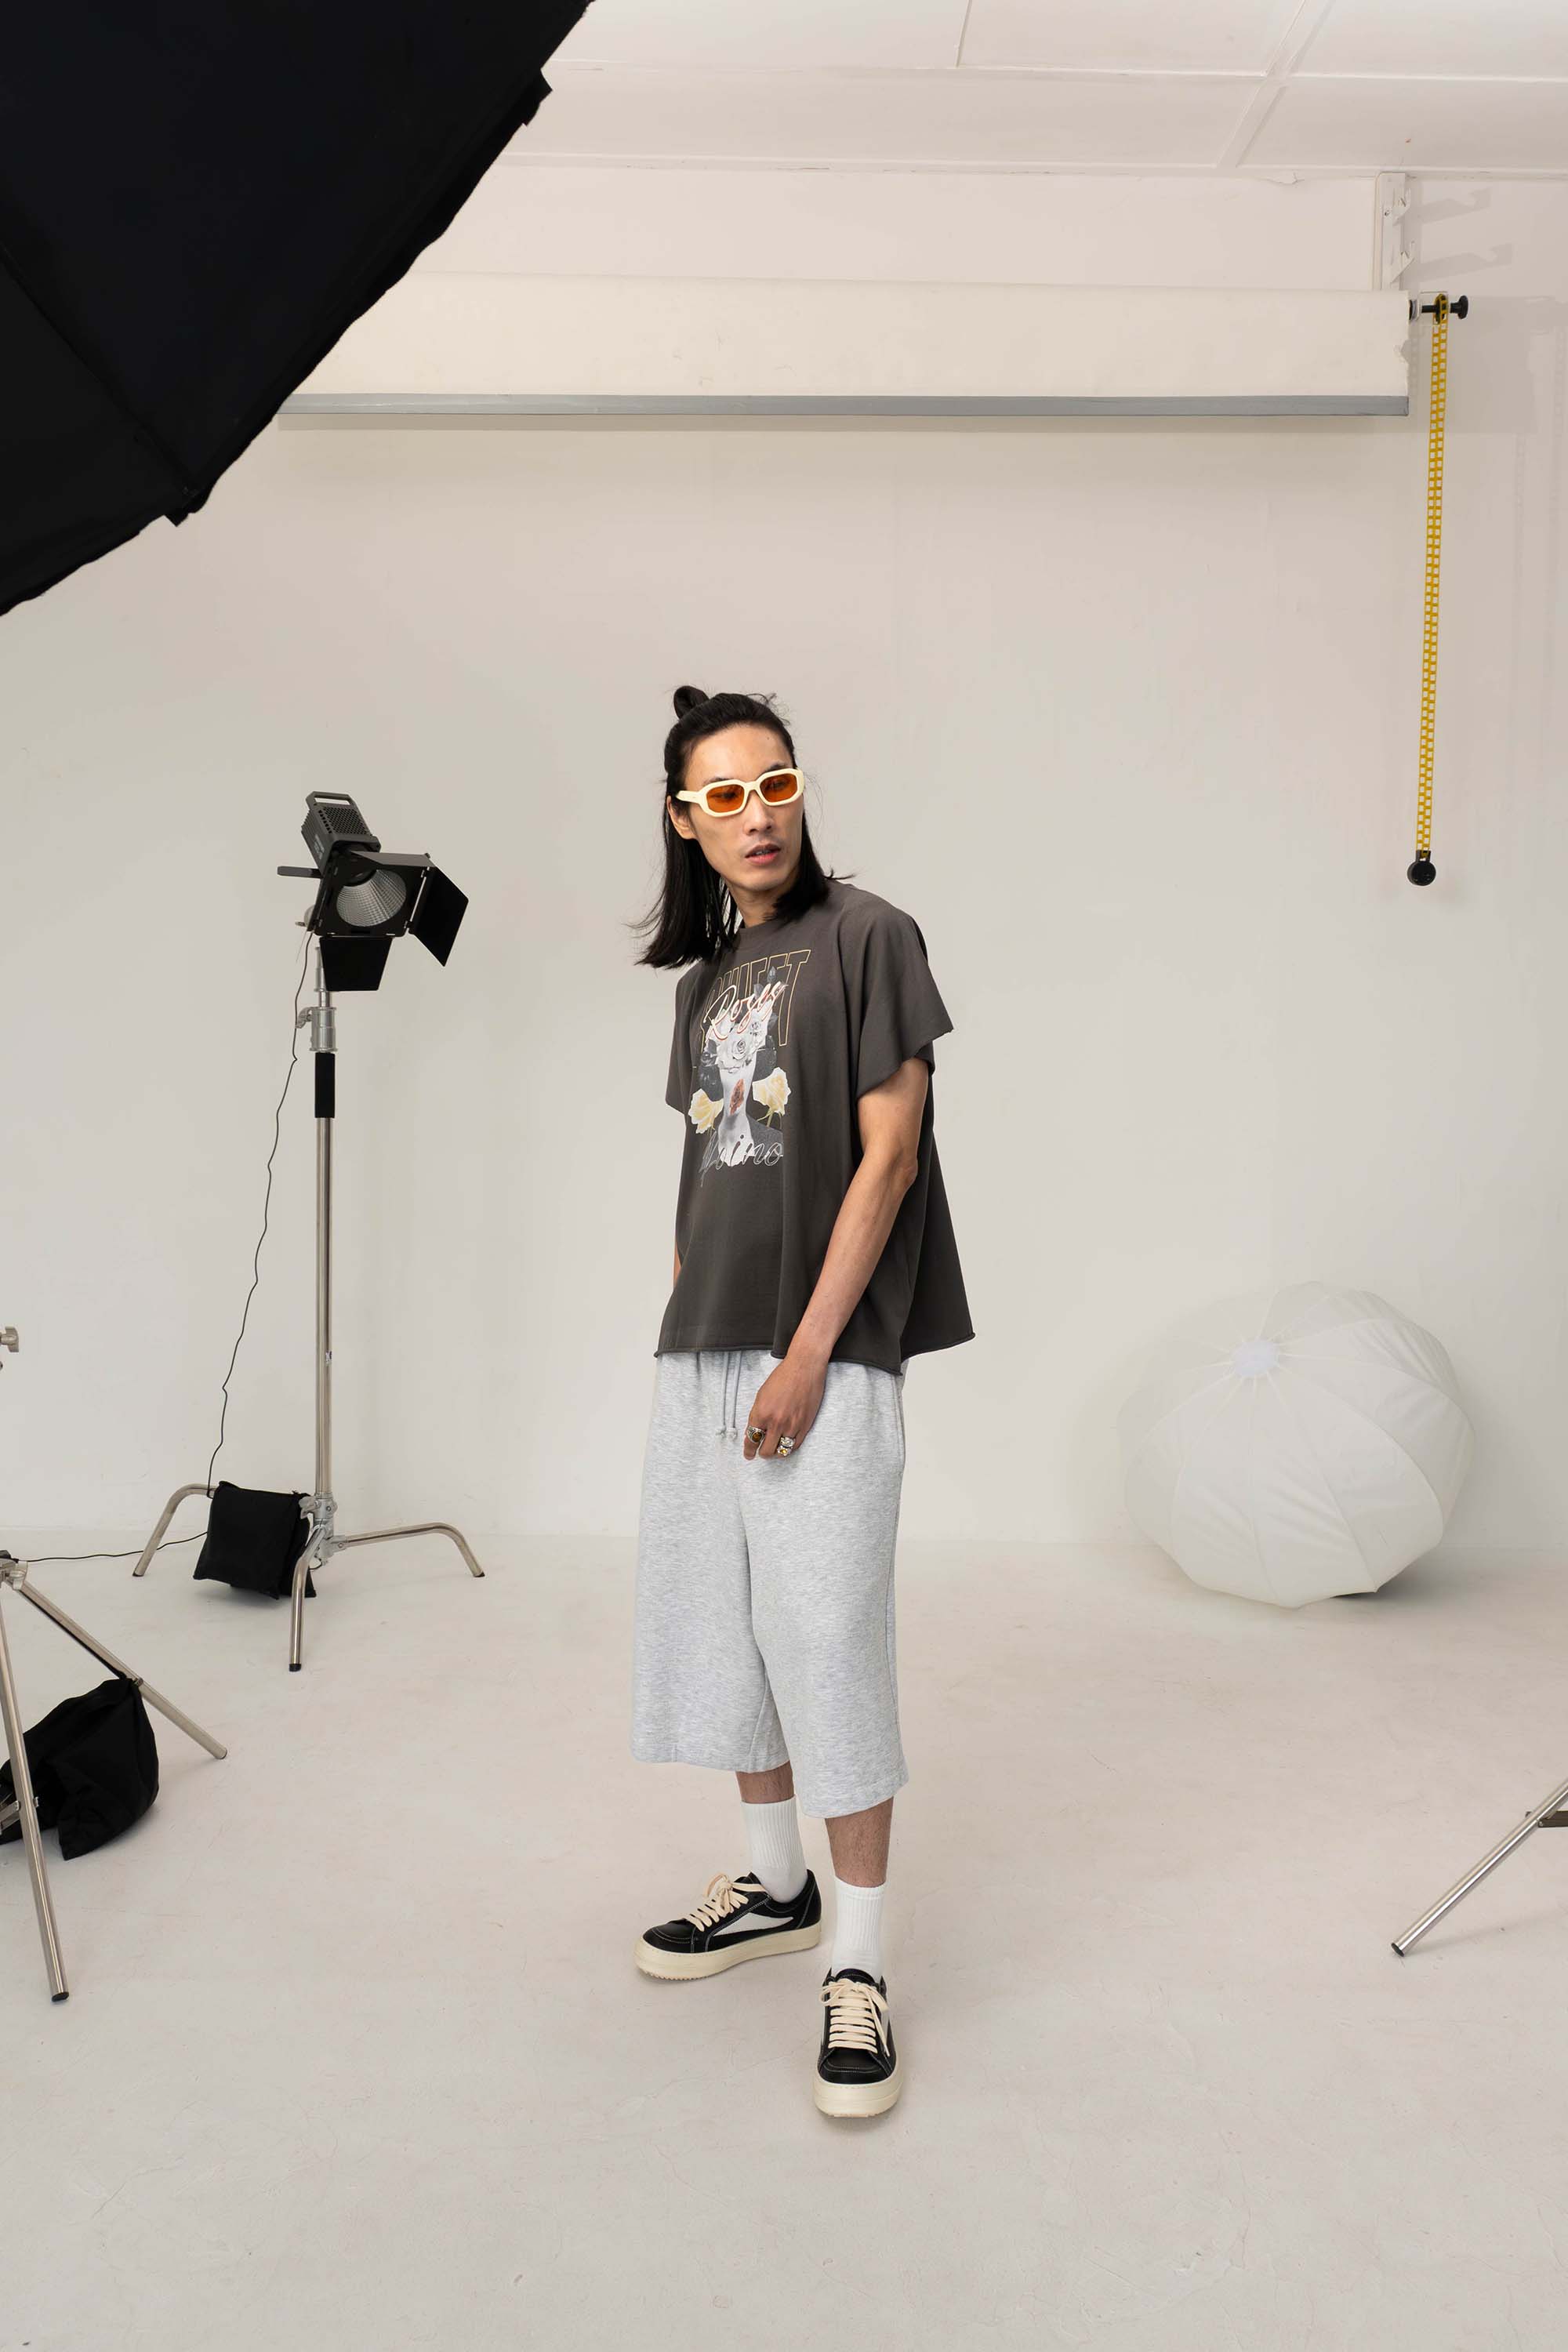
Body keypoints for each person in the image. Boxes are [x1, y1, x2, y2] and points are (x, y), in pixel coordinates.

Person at [628, 684, 974, 2118]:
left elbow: (887, 1160)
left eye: (773, 784)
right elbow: (708, 1175)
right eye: (723, 796)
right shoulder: (705, 984)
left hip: (822, 1343)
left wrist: (812, 1348)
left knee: (826, 1630)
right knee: (728, 1625)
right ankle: (774, 1887)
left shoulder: (870, 937)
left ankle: (862, 1960)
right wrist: (690, 1321)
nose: (756, 814)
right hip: (706, 1343)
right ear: (684, 821)